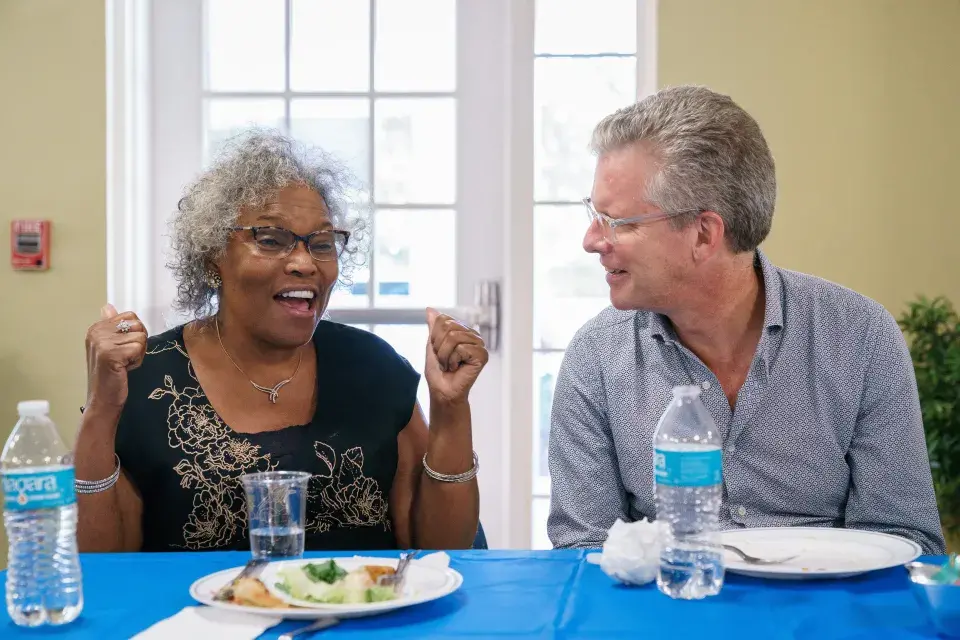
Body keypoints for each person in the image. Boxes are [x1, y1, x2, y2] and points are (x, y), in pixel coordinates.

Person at [547, 85, 945, 554]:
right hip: (669, 614)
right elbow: (581, 549)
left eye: (618, 222)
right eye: (595, 213)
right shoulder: (596, 356)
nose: (592, 241)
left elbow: (905, 539)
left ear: (704, 233)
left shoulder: (859, 337)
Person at [75, 129, 487, 552]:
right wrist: (103, 408)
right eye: (271, 240)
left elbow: (441, 552)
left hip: (361, 615)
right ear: (213, 256)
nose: (305, 263)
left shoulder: (371, 368)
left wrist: (451, 408)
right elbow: (103, 566)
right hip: (193, 617)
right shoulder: (147, 376)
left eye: (322, 243)